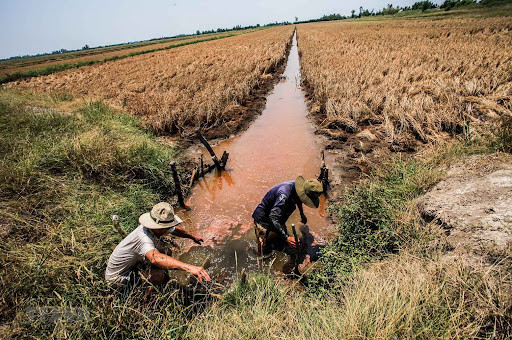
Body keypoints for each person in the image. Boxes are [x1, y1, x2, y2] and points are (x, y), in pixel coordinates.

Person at [105, 202, 211, 287]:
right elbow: (155, 258)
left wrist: (192, 237)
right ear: (158, 228)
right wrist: (188, 267)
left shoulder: (156, 228)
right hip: (118, 278)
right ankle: (148, 299)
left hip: (133, 264)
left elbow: (175, 230)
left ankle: (159, 280)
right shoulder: (144, 238)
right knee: (159, 276)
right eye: (167, 228)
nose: (169, 229)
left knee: (167, 252)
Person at [252, 176, 323, 255]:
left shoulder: (299, 189)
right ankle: (260, 257)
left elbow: (299, 200)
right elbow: (273, 217)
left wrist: (301, 213)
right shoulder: (284, 194)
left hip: (278, 216)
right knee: (262, 247)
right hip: (263, 218)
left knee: (281, 240)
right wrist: (287, 238)